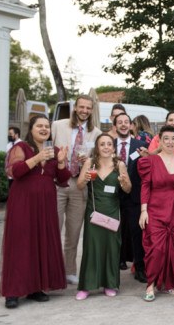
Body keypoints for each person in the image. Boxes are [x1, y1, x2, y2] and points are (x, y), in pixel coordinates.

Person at [0, 115, 69, 309]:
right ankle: (12, 291)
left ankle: (36, 288)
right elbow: (15, 171)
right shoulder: (21, 148)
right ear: (31, 129)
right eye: (40, 126)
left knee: (41, 243)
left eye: (47, 126)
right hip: (23, 203)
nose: (44, 129)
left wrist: (62, 163)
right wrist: (37, 158)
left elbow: (62, 180)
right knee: (21, 243)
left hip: (46, 204)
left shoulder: (54, 150)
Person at [138, 126, 174, 301]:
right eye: (166, 138)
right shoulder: (150, 161)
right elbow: (145, 186)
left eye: (173, 139)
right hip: (155, 209)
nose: (170, 142)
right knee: (156, 248)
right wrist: (143, 211)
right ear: (160, 141)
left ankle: (168, 283)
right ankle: (151, 284)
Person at [51, 95, 102, 284]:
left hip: (79, 183)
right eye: (82, 107)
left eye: (88, 108)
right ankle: (51, 269)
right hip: (57, 183)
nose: (85, 111)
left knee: (73, 231)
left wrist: (88, 162)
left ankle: (69, 270)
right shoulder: (57, 125)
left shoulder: (95, 132)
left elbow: (97, 159)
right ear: (75, 108)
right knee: (53, 229)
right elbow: (48, 151)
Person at [75, 134, 132, 300]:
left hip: (113, 211)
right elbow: (79, 186)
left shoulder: (119, 164)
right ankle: (86, 286)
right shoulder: (89, 163)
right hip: (94, 211)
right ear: (97, 147)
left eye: (109, 144)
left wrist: (124, 182)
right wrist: (84, 179)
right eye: (102, 144)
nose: (106, 147)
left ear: (113, 147)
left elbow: (128, 189)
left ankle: (110, 283)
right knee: (91, 248)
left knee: (111, 248)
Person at [115, 113, 150, 283]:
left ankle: (140, 268)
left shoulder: (141, 145)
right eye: (119, 122)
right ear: (114, 126)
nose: (123, 125)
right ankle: (113, 264)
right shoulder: (107, 144)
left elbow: (148, 169)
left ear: (131, 125)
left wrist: (147, 157)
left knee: (137, 232)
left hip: (134, 195)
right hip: (112, 196)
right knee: (113, 231)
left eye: (126, 122)